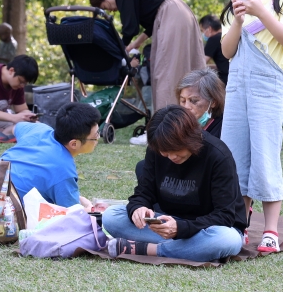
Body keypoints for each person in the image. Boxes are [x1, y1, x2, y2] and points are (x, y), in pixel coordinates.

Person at [219, 0, 283, 254]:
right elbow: (227, 52)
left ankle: (270, 230)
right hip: (238, 88)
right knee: (234, 157)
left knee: (265, 156)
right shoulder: (235, 8)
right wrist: (241, 19)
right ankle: (239, 224)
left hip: (267, 89)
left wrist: (260, 12)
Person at [103, 105, 247, 262]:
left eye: (176, 150)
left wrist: (181, 228)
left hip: (206, 229)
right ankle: (188, 248)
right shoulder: (157, 149)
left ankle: (150, 249)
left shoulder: (218, 156)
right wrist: (138, 208)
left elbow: (225, 215)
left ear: (190, 138)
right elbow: (143, 193)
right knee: (111, 216)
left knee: (228, 239)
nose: (171, 156)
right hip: (166, 224)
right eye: (165, 152)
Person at [88, 0, 204, 143]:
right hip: (179, 13)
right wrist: (132, 45)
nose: (110, 11)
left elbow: (130, 27)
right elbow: (148, 27)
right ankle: (183, 125)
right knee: (183, 72)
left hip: (172, 16)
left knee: (166, 74)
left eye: (105, 7)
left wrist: (119, 49)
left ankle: (164, 131)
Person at [134, 67, 226, 183]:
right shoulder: (178, 121)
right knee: (142, 167)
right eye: (183, 101)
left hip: (206, 178)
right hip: (180, 176)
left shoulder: (224, 126)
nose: (186, 106)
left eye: (193, 101)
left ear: (213, 102)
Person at [199, 14, 229, 85]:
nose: (203, 34)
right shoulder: (227, 35)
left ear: (209, 29)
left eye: (202, 30)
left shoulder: (214, 39)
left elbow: (202, 62)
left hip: (226, 79)